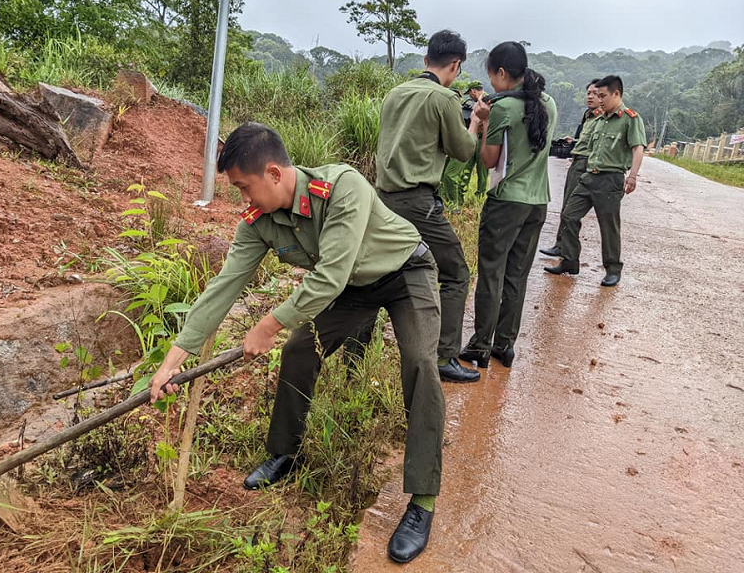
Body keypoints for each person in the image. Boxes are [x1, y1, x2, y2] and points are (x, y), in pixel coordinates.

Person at [148, 122, 445, 564]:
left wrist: (268, 324)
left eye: (244, 188)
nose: (243, 200)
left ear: (273, 173)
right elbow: (225, 286)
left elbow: (330, 275)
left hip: (406, 273)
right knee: (300, 350)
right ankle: (284, 454)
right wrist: (173, 359)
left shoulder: (342, 185)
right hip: (350, 290)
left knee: (420, 363)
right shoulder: (259, 222)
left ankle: (422, 500)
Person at [375, 29, 482, 383]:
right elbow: (463, 150)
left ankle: (355, 350)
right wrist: (476, 123)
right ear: (456, 65)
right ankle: (444, 355)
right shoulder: (445, 99)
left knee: (378, 271)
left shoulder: (396, 93)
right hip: (417, 201)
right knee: (455, 272)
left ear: (425, 60)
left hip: (382, 198)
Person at [459, 41, 558, 368]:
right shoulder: (549, 104)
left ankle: (480, 345)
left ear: (502, 72)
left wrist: (484, 122)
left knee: (491, 273)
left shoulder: (502, 108)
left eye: (491, 76)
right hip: (537, 202)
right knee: (517, 274)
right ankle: (505, 343)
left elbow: (489, 161)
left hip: (506, 203)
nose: (491, 84)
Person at [544, 75, 645, 287]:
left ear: (616, 94)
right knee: (569, 216)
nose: (599, 100)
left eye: (603, 96)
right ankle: (570, 260)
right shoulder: (598, 120)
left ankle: (613, 268)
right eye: (597, 95)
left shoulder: (630, 119)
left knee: (608, 226)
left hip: (610, 180)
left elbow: (638, 147)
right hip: (589, 176)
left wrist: (633, 175)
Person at [539, 80, 602, 257]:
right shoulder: (587, 115)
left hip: (589, 166)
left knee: (573, 211)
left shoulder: (604, 118)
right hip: (577, 163)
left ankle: (569, 251)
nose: (590, 96)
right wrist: (572, 143)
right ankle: (561, 245)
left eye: (595, 93)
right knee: (566, 206)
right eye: (588, 92)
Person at [440, 80, 491, 206]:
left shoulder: (489, 102)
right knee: (465, 170)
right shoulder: (469, 105)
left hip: (482, 139)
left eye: (470, 93)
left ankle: (479, 197)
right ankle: (461, 198)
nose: (470, 96)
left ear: (473, 91)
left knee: (482, 172)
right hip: (471, 138)